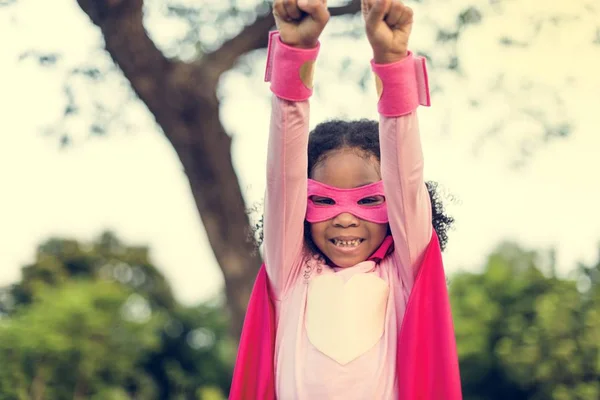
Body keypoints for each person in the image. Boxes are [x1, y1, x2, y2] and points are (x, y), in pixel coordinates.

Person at [230, 0, 462, 398]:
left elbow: (405, 177)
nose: (345, 218)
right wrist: (295, 54)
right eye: (325, 201)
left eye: (369, 201)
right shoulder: (290, 273)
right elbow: (282, 175)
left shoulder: (402, 276)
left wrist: (390, 61)